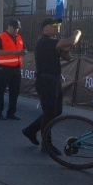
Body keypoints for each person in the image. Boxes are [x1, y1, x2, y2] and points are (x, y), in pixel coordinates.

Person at [22, 18, 81, 150]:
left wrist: (65, 48)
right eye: (53, 25)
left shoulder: (53, 43)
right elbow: (72, 40)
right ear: (45, 29)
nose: (57, 27)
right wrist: (77, 32)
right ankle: (47, 144)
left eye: (58, 25)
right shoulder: (44, 41)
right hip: (45, 81)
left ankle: (30, 130)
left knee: (56, 111)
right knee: (49, 113)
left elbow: (68, 57)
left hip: (54, 80)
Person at [0, 19, 25, 120]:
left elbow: (24, 48)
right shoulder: (1, 37)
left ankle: (11, 113)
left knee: (14, 92)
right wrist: (12, 52)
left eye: (18, 29)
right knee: (0, 91)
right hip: (4, 68)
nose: (17, 31)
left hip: (16, 68)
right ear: (10, 27)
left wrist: (24, 52)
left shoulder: (19, 37)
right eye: (16, 28)